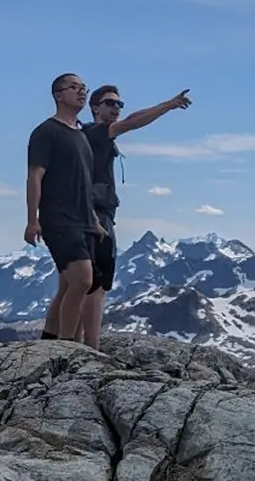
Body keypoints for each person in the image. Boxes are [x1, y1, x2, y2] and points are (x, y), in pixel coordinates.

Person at [78, 84, 192, 347]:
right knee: (97, 283)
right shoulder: (98, 132)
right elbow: (133, 122)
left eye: (119, 104)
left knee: (81, 282)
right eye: (110, 103)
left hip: (88, 211)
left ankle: (71, 342)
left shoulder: (85, 135)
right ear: (95, 107)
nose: (116, 108)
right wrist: (167, 105)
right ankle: (89, 348)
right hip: (98, 214)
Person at [25, 74, 104, 343]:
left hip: (83, 221)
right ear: (58, 95)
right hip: (58, 219)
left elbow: (82, 182)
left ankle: (50, 341)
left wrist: (93, 218)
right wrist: (32, 219)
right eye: (74, 88)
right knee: (83, 280)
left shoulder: (80, 136)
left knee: (69, 285)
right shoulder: (46, 132)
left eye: (84, 88)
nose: (81, 92)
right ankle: (67, 346)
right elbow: (35, 176)